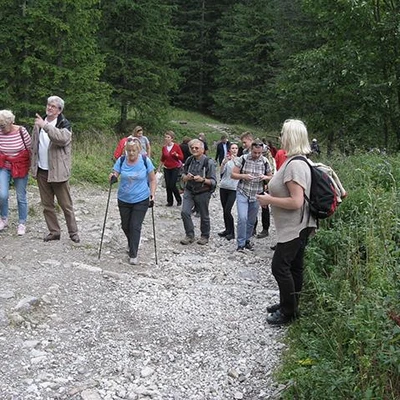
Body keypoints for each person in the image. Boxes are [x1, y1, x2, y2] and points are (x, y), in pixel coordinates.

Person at [257, 119, 317, 325]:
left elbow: (296, 201)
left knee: (280, 267)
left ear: (290, 137)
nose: (280, 137)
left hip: (294, 226)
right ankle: (289, 303)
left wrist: (268, 200)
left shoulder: (295, 165)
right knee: (294, 267)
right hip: (300, 225)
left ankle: (288, 312)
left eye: (282, 133)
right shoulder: (300, 161)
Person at [30, 96, 80, 243]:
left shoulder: (64, 124)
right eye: (48, 105)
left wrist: (45, 126)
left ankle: (73, 232)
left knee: (66, 205)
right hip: (42, 170)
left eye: (53, 106)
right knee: (47, 205)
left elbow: (62, 139)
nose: (49, 107)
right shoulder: (39, 123)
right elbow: (34, 145)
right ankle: (54, 232)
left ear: (59, 110)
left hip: (58, 172)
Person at [109, 138, 156, 265]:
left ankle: (133, 253)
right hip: (124, 198)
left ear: (139, 150)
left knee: (135, 226)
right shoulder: (121, 160)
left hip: (141, 198)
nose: (131, 153)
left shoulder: (146, 161)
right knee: (125, 225)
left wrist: (152, 194)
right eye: (129, 150)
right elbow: (115, 173)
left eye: (133, 150)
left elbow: (152, 179)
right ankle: (132, 242)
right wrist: (113, 177)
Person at [231, 141, 272, 252]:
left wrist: (265, 177)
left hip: (257, 194)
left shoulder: (265, 161)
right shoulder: (243, 159)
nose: (257, 155)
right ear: (251, 150)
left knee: (251, 220)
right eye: (255, 152)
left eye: (260, 153)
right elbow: (233, 174)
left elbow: (271, 176)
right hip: (243, 192)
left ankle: (247, 240)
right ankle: (240, 244)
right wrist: (244, 176)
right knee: (242, 218)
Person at [0, 110, 31, 235]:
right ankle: (4, 218)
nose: (1, 128)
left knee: (20, 196)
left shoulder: (21, 131)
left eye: (3, 126)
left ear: (11, 122)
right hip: (4, 166)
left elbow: (30, 148)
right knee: (2, 194)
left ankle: (22, 223)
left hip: (20, 166)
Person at [180, 139, 216, 245]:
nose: (194, 150)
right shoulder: (189, 160)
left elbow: (214, 182)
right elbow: (182, 173)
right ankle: (189, 235)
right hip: (189, 190)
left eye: (197, 148)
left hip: (203, 191)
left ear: (202, 149)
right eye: (192, 148)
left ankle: (205, 235)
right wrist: (185, 177)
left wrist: (203, 180)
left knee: (204, 215)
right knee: (185, 212)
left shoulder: (209, 162)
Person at [218, 142, 239, 240]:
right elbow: (221, 172)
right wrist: (224, 163)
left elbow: (239, 172)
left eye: (236, 148)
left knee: (228, 210)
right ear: (230, 150)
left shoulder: (240, 160)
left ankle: (232, 232)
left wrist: (235, 161)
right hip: (224, 186)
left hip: (233, 188)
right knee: (224, 210)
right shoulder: (226, 159)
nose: (234, 150)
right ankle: (227, 229)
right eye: (233, 148)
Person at [159, 131, 183, 207]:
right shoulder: (164, 147)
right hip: (166, 167)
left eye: (168, 137)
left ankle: (178, 199)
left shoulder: (176, 146)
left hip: (175, 167)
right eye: (165, 137)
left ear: (172, 138)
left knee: (172, 184)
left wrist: (176, 155)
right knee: (168, 185)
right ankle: (170, 201)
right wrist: (159, 167)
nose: (166, 139)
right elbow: (163, 158)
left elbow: (182, 157)